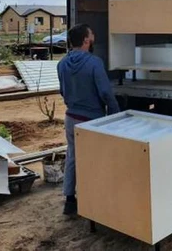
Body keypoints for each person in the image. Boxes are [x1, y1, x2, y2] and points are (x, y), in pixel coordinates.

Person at [57, 23, 120, 215]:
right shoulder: (94, 63)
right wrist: (116, 114)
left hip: (70, 117)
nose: (94, 36)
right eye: (91, 34)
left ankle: (70, 200)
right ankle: (95, 199)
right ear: (86, 40)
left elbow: (62, 91)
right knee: (96, 160)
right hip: (92, 120)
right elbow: (105, 93)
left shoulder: (61, 64)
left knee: (73, 157)